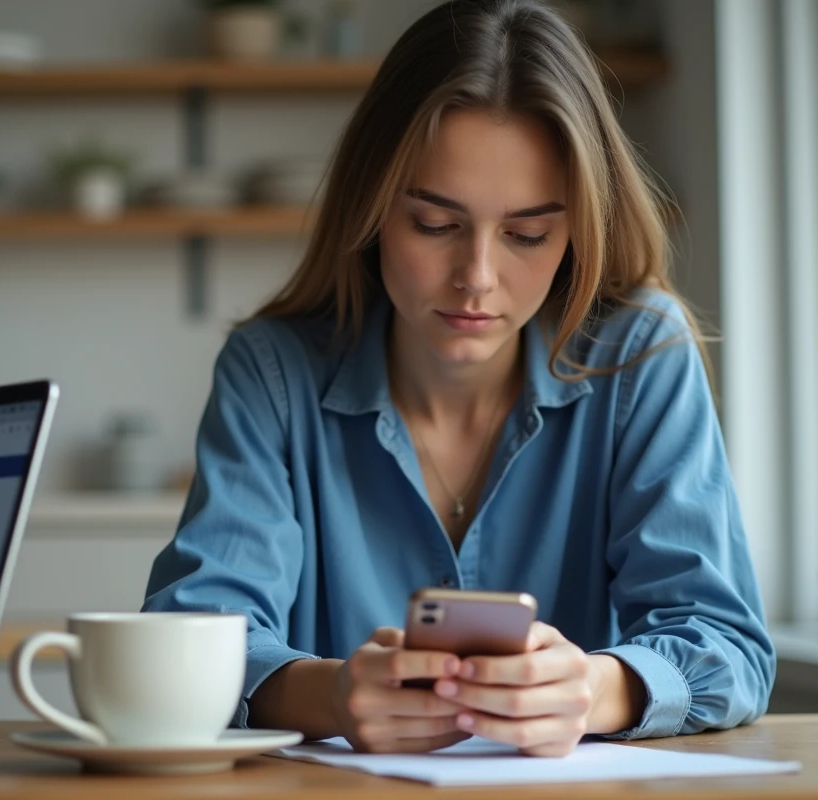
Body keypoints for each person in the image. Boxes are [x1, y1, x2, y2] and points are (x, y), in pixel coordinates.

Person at [143, 0, 773, 757]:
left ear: (580, 231)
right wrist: (337, 696)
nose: (476, 277)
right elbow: (193, 643)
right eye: (435, 225)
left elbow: (727, 645)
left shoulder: (641, 355)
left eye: (527, 233)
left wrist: (595, 689)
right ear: (373, 209)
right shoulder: (273, 372)